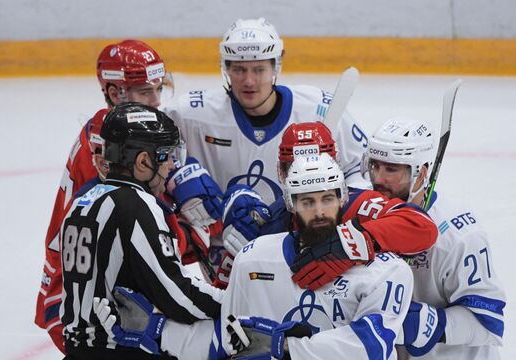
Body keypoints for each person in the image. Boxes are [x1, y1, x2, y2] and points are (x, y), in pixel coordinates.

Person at [92, 154, 415, 359]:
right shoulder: (254, 257)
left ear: (342, 200)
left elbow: (372, 345)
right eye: (307, 202)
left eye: (327, 199)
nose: (318, 212)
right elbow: (231, 338)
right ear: (290, 204)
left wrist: (284, 346)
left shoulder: (386, 271)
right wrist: (159, 330)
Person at [35, 39, 173, 353]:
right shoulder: (108, 143)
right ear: (115, 94)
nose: (156, 101)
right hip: (80, 296)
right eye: (145, 92)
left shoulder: (124, 130)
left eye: (158, 89)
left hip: (97, 282)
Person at [60, 103, 227, 359]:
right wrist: (233, 301)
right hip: (119, 350)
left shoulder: (83, 201)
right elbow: (178, 297)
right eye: (167, 155)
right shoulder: (137, 205)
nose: (172, 165)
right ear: (143, 161)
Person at [163, 17, 369, 207]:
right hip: (219, 244)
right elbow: (147, 151)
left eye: (259, 70)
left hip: (299, 240)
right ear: (226, 68)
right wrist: (179, 179)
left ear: (275, 66)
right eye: (239, 70)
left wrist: (340, 207)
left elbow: (361, 169)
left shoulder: (318, 109)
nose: (249, 81)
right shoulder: (190, 114)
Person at [217, 121, 439, 290]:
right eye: (294, 168)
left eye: (320, 166)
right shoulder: (262, 224)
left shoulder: (356, 204)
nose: (308, 178)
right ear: (281, 173)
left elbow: (421, 227)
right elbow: (225, 301)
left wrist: (352, 243)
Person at [361, 116, 506, 359]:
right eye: (375, 166)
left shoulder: (459, 236)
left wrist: (433, 324)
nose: (378, 179)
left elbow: (489, 322)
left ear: (421, 173)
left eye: (391, 169)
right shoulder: (367, 216)